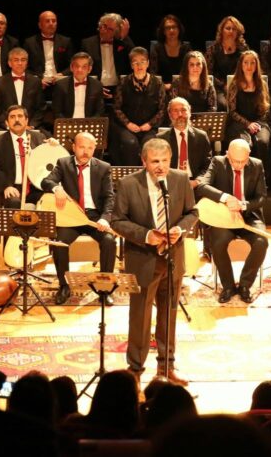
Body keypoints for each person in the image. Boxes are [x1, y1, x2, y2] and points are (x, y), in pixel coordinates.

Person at [112, 138, 197, 385]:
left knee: (169, 315)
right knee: (140, 316)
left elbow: (192, 213)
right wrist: (147, 235)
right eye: (155, 161)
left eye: (165, 161)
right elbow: (117, 221)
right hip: (143, 258)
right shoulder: (128, 184)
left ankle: (167, 366)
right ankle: (135, 370)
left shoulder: (180, 179)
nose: (160, 166)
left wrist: (180, 229)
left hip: (173, 258)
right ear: (144, 162)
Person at [40, 131, 117, 305]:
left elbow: (109, 197)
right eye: (82, 147)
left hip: (94, 216)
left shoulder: (103, 167)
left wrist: (105, 218)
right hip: (72, 216)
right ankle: (64, 286)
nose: (86, 152)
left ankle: (105, 288)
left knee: (109, 241)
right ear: (74, 147)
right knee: (59, 242)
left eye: (90, 148)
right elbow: (46, 181)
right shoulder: (63, 163)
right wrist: (57, 188)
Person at [196, 139, 268, 304]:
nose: (239, 165)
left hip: (248, 215)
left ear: (248, 156)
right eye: (235, 161)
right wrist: (226, 198)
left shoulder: (257, 165)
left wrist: (243, 205)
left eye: (243, 161)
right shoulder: (218, 162)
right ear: (228, 155)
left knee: (261, 242)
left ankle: (245, 285)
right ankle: (228, 286)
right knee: (218, 242)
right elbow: (202, 186)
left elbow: (262, 197)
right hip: (224, 216)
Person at [110, 47, 166, 165]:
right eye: (135, 62)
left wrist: (150, 124)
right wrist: (128, 124)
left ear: (148, 63)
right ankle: (131, 172)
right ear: (131, 65)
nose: (139, 65)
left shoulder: (157, 83)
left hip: (149, 127)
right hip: (128, 127)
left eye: (142, 61)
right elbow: (117, 108)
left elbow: (162, 109)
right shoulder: (123, 83)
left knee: (149, 144)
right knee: (130, 143)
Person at [224, 50, 271, 185]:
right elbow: (232, 111)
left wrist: (256, 124)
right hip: (238, 122)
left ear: (257, 65)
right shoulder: (235, 84)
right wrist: (247, 124)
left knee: (262, 142)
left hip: (260, 122)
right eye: (246, 62)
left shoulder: (261, 83)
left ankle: (261, 180)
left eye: (252, 63)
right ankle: (243, 180)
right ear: (241, 64)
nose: (249, 66)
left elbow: (265, 108)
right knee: (244, 144)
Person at [0, 105, 46, 208]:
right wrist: (7, 186)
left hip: (35, 187)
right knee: (14, 202)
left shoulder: (39, 138)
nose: (17, 120)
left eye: (20, 116)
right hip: (13, 187)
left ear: (27, 120)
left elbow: (46, 163)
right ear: (7, 122)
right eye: (12, 117)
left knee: (49, 200)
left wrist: (53, 148)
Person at [0, 47, 47, 130]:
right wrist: (8, 125)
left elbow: (41, 108)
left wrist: (31, 125)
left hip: (30, 126)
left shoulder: (35, 82)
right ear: (9, 63)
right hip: (5, 126)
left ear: (27, 63)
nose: (20, 63)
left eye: (23, 60)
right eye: (16, 60)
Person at [160, 97, 211, 185]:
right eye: (175, 111)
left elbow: (208, 165)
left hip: (195, 182)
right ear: (169, 114)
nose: (180, 114)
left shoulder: (201, 136)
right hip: (171, 182)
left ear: (189, 112)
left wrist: (197, 181)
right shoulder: (161, 139)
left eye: (183, 110)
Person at [81, 12, 133, 97]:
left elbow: (134, 57)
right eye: (103, 26)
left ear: (117, 32)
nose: (104, 30)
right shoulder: (88, 44)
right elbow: (83, 68)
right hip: (95, 89)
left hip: (119, 89)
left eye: (110, 29)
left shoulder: (122, 43)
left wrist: (125, 37)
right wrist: (95, 87)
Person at [22, 10, 73, 92]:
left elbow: (72, 65)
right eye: (47, 21)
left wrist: (61, 74)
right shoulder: (29, 43)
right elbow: (25, 67)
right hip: (38, 83)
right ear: (40, 25)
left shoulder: (65, 41)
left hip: (60, 83)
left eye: (54, 21)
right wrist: (39, 79)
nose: (51, 23)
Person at [206, 16, 249, 109]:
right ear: (222, 31)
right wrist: (223, 85)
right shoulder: (213, 49)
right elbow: (208, 73)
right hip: (219, 87)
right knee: (223, 104)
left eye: (234, 29)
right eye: (228, 28)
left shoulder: (243, 49)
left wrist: (234, 84)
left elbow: (248, 70)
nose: (231, 31)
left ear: (238, 32)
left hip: (239, 85)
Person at [52, 52, 105, 120]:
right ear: (71, 67)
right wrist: (68, 124)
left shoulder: (97, 85)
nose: (80, 70)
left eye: (84, 67)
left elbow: (99, 112)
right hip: (66, 124)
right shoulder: (60, 85)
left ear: (89, 69)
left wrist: (88, 124)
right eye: (77, 66)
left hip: (89, 124)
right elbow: (57, 112)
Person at [150, 15, 191, 88]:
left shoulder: (186, 48)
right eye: (168, 28)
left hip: (183, 88)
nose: (171, 30)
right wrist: (163, 86)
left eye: (174, 27)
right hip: (162, 88)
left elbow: (191, 71)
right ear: (163, 31)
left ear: (179, 29)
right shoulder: (157, 48)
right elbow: (153, 73)